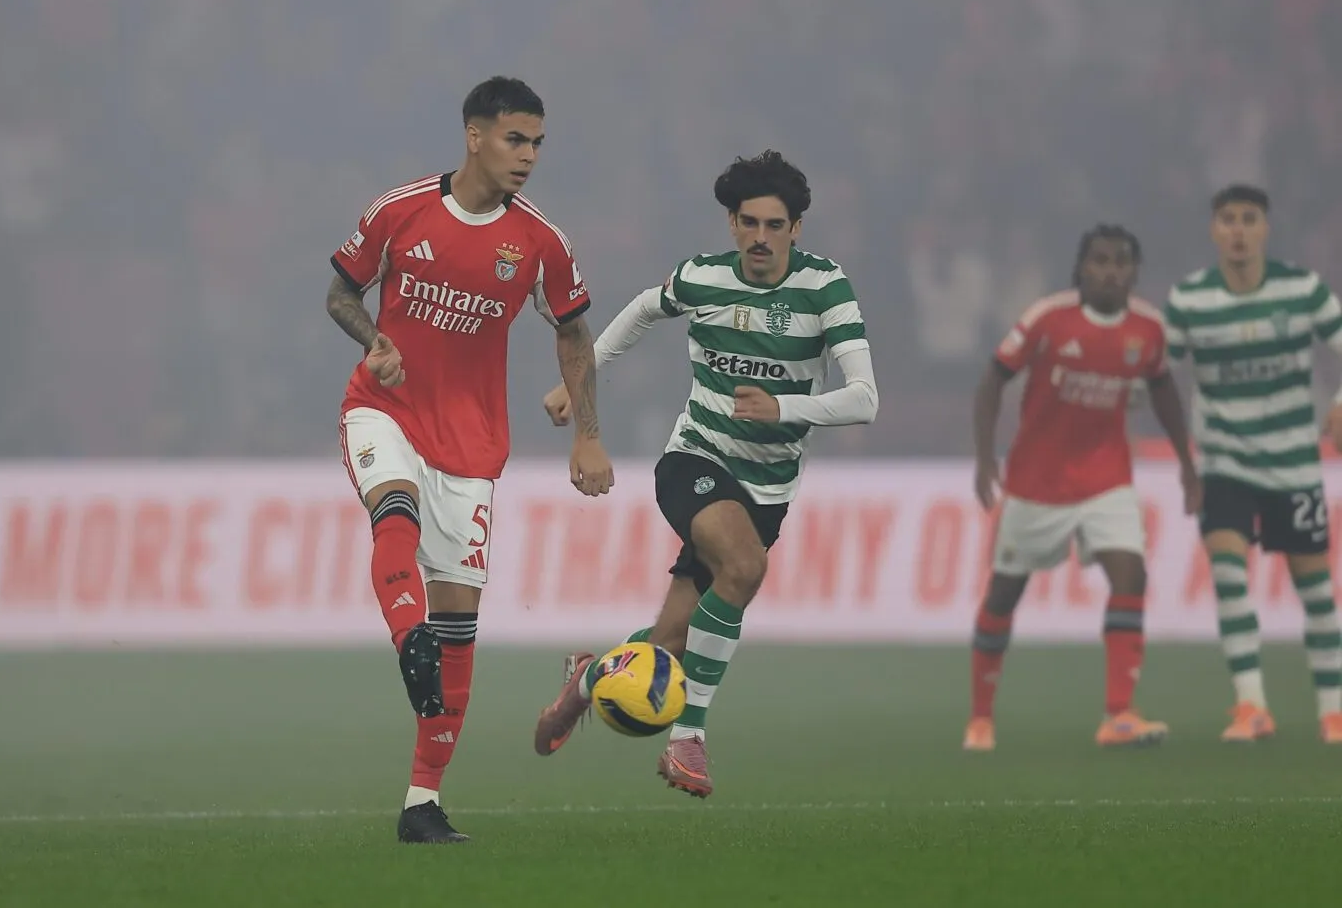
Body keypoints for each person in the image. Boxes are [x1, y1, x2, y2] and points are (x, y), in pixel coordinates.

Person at [530, 150, 879, 797]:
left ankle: (588, 679)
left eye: (775, 225)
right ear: (731, 223)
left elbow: (864, 399)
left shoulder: (825, 288)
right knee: (744, 566)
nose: (760, 238)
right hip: (696, 458)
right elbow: (641, 310)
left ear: (797, 229)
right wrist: (577, 383)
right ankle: (688, 736)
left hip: (767, 489)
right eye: (749, 223)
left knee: (670, 642)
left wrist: (784, 408)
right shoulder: (703, 277)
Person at [324, 76, 614, 842]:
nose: (528, 155)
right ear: (475, 136)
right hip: (384, 408)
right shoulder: (399, 211)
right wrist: (374, 340)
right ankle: (405, 635)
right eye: (515, 139)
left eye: (537, 143)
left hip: (472, 445)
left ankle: (422, 802)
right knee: (394, 508)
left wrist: (588, 433)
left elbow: (574, 332)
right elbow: (341, 295)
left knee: (459, 627)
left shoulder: (541, 242)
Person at [964, 224, 1201, 752]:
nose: (1110, 271)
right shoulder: (1048, 318)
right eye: (1100, 260)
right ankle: (980, 718)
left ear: (1134, 273)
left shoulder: (1148, 329)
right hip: (1036, 482)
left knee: (1130, 572)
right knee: (1004, 593)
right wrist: (983, 458)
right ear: (1081, 268)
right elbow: (992, 381)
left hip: (1106, 477)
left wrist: (1187, 462)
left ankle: (1119, 714)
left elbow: (1164, 389)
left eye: (1121, 262)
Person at [1165, 184, 1342, 745]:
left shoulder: (1303, 289)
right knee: (1228, 575)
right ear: (1213, 230)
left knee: (1316, 591)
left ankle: (1334, 710)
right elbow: (1157, 374)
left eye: (1248, 219)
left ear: (1265, 228)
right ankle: (1252, 706)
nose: (1238, 230)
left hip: (1293, 462)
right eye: (1227, 220)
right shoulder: (1188, 300)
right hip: (1224, 461)